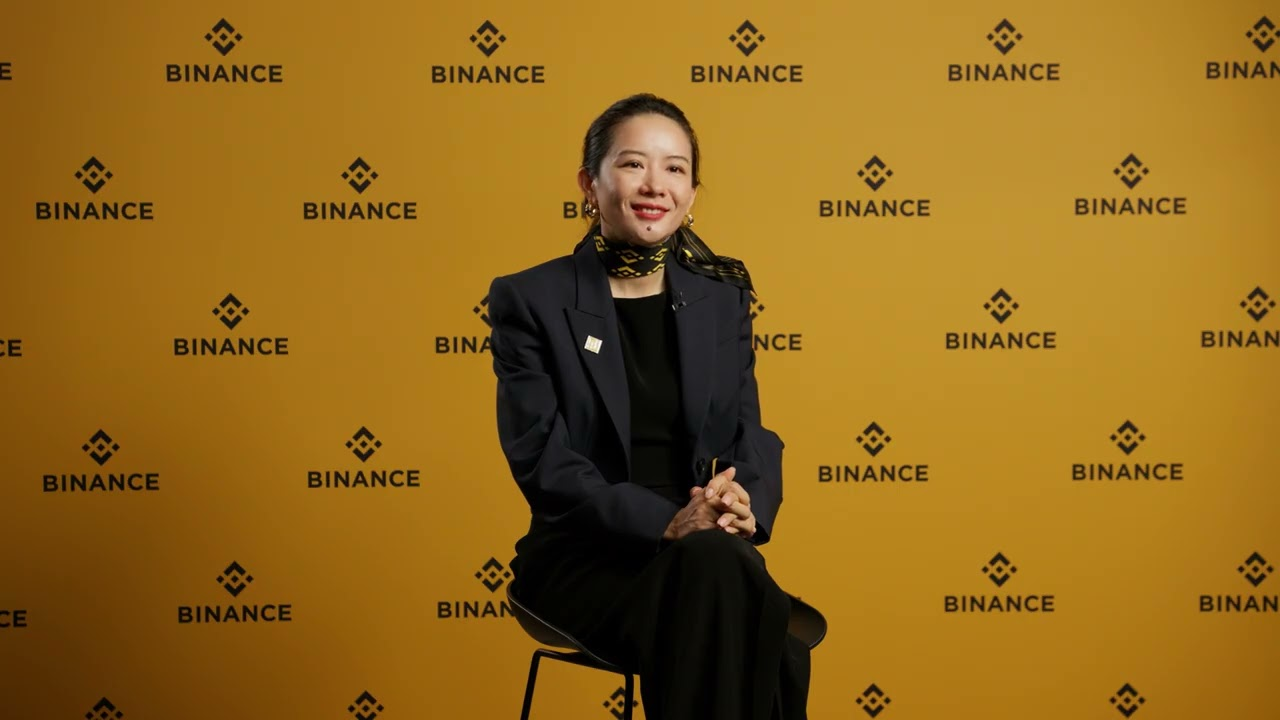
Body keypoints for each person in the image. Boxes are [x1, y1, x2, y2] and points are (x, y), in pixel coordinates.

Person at [488, 93, 809, 720]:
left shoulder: (721, 294)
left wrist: (744, 503)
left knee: (718, 569)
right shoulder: (531, 299)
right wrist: (668, 523)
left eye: (675, 168)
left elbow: (748, 430)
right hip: (587, 554)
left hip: (707, 547)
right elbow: (542, 460)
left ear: (691, 193)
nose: (655, 184)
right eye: (633, 164)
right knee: (753, 617)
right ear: (590, 184)